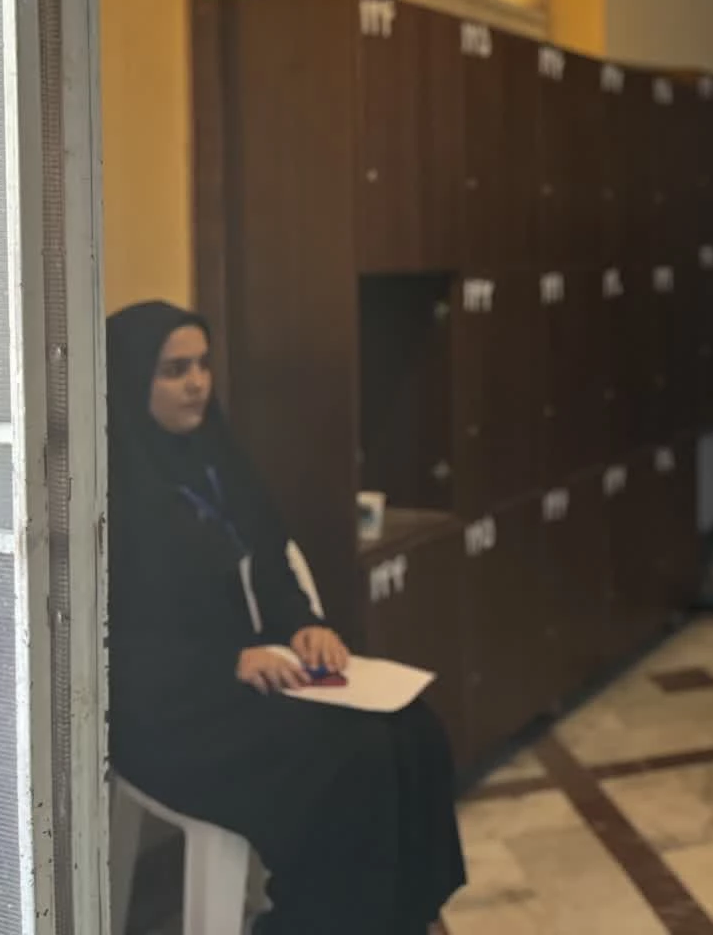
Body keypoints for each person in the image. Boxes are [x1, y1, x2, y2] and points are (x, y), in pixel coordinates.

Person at [106, 300, 465, 934]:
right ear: (131, 380)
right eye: (174, 370)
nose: (197, 383)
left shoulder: (216, 457)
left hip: (259, 677)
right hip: (172, 709)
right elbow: (122, 637)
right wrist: (229, 661)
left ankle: (407, 915)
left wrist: (305, 625)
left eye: (203, 365)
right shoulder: (114, 491)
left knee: (413, 730)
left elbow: (271, 559)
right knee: (353, 760)